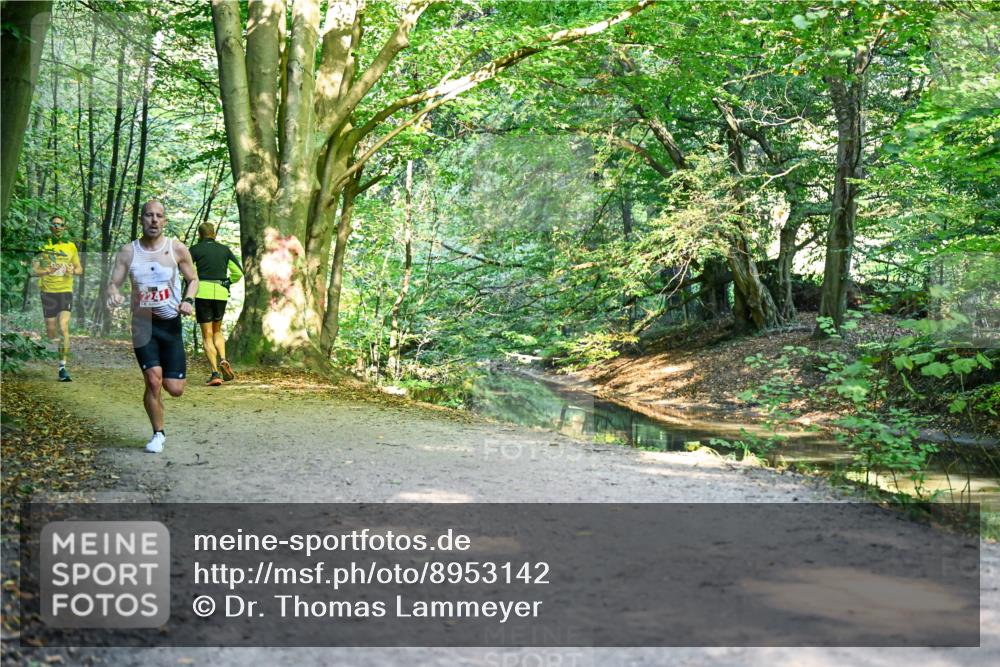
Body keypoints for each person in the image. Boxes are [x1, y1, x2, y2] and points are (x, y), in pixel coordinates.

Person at [107, 200, 198, 454]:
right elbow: (113, 283)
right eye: (149, 215)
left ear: (165, 221)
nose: (154, 220)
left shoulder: (176, 249)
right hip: (142, 324)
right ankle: (158, 433)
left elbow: (193, 279)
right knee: (153, 381)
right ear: (141, 220)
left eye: (159, 216)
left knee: (174, 389)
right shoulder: (128, 251)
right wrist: (113, 293)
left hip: (170, 326)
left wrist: (188, 300)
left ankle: (156, 389)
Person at [188, 222, 243, 385]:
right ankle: (224, 359)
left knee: (207, 335)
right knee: (217, 330)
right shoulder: (225, 250)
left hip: (203, 291)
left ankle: (215, 373)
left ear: (200, 235)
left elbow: (188, 271)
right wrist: (227, 282)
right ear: (214, 234)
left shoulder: (195, 249)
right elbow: (238, 273)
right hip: (220, 292)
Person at [32, 215, 83, 381]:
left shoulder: (70, 246)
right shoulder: (43, 245)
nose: (57, 227)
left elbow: (79, 269)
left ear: (64, 227)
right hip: (47, 291)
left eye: (60, 224)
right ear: (50, 226)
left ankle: (62, 367)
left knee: (63, 327)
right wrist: (48, 270)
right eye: (54, 224)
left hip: (65, 290)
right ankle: (51, 349)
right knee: (51, 332)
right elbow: (34, 270)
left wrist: (71, 270)